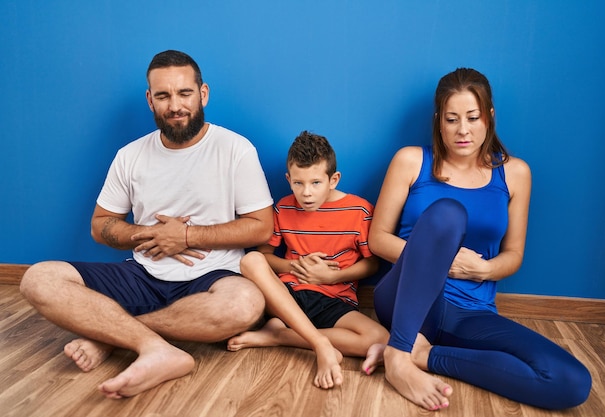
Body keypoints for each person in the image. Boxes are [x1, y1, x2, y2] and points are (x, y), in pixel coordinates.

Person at [19, 50, 274, 399]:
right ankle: (156, 348)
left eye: (184, 93)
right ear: (150, 100)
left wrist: (186, 236)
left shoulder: (235, 149)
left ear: (203, 94)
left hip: (213, 277)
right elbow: (101, 225)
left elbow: (261, 227)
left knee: (245, 304)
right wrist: (150, 235)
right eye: (163, 95)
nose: (175, 105)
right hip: (142, 275)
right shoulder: (131, 155)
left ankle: (110, 337)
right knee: (38, 278)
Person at [368, 68, 592, 411]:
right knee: (448, 213)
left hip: (471, 313)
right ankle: (399, 354)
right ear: (439, 121)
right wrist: (435, 257)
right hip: (407, 302)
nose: (462, 130)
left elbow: (514, 254)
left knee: (572, 382)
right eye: (452, 119)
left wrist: (482, 270)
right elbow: (378, 239)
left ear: (489, 117)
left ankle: (423, 354)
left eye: (472, 117)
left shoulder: (515, 173)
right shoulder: (411, 161)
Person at [227, 131, 389, 389]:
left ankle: (279, 336)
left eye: (316, 183)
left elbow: (373, 264)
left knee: (378, 337)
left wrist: (333, 276)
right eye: (298, 183)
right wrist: (294, 266)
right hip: (289, 295)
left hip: (334, 299)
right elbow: (266, 257)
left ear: (333, 179)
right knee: (251, 260)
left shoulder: (359, 210)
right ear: (288, 179)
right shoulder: (283, 208)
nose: (306, 193)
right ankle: (319, 343)